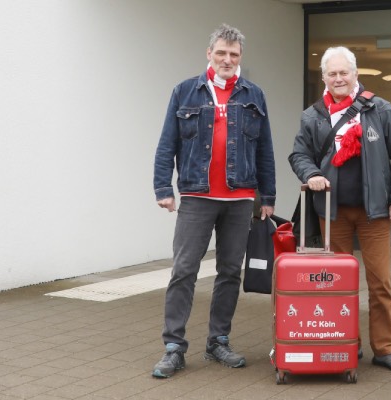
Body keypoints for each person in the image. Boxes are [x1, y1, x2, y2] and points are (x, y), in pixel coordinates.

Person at [152, 23, 275, 378]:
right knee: (184, 270)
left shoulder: (254, 94)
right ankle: (173, 347)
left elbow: (265, 148)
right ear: (209, 53)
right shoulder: (185, 91)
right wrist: (163, 188)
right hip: (197, 195)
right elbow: (167, 144)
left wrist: (267, 196)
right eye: (221, 52)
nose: (227, 59)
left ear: (240, 58)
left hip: (240, 199)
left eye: (233, 54)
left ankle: (218, 340)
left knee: (230, 272)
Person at [288, 46, 391, 373]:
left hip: (375, 213)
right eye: (332, 73)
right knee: (337, 285)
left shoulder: (380, 109)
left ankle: (385, 349)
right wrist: (312, 174)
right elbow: (299, 155)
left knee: (380, 283)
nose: (339, 78)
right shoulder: (313, 115)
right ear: (324, 78)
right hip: (331, 214)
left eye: (344, 72)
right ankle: (345, 344)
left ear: (355, 74)